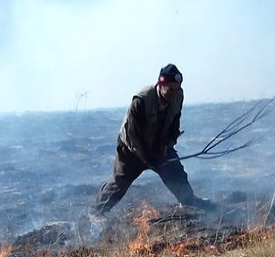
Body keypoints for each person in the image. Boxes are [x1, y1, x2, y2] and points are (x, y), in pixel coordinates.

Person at [90, 64, 214, 218]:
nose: (174, 93)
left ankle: (188, 200)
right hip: (132, 149)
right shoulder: (141, 100)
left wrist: (169, 142)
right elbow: (133, 136)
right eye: (170, 89)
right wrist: (150, 159)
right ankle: (97, 213)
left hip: (158, 144)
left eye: (177, 89)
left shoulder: (178, 95)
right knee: (120, 182)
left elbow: (175, 119)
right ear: (160, 84)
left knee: (176, 172)